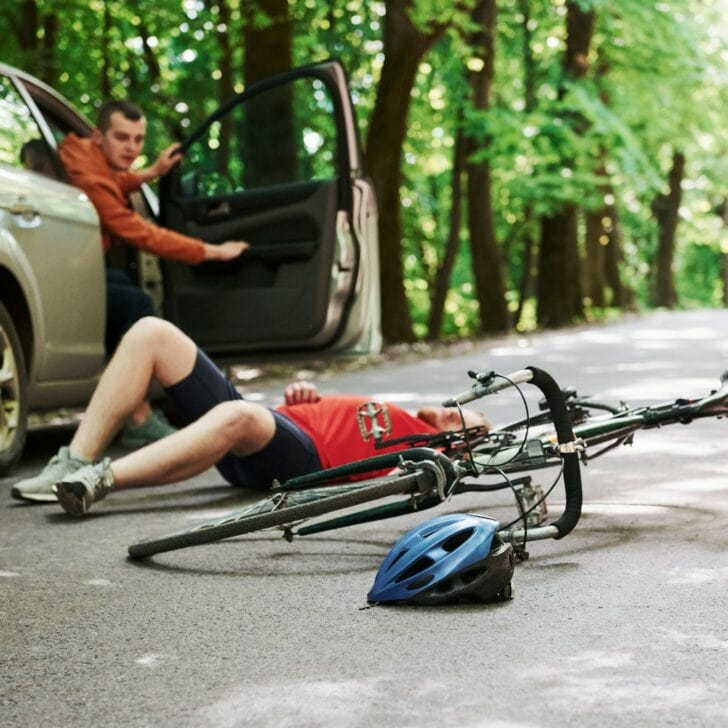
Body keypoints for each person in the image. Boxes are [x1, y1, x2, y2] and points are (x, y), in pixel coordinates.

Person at [11, 318, 490, 514]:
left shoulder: (428, 453)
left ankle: (98, 481)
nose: (462, 417)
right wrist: (305, 396)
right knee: (151, 332)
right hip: (276, 427)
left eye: (473, 424)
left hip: (303, 460)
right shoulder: (408, 417)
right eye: (464, 414)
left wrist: (470, 445)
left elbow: (458, 472)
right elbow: (332, 418)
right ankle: (74, 459)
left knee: (239, 415)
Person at [58, 99, 249, 449]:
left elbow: (113, 179)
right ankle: (138, 417)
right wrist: (211, 251)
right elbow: (140, 233)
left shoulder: (85, 155)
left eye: (138, 139)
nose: (131, 148)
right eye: (122, 138)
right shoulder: (87, 173)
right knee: (135, 303)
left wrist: (151, 173)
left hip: (77, 267)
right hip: (63, 274)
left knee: (120, 285)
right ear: (99, 136)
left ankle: (135, 407)